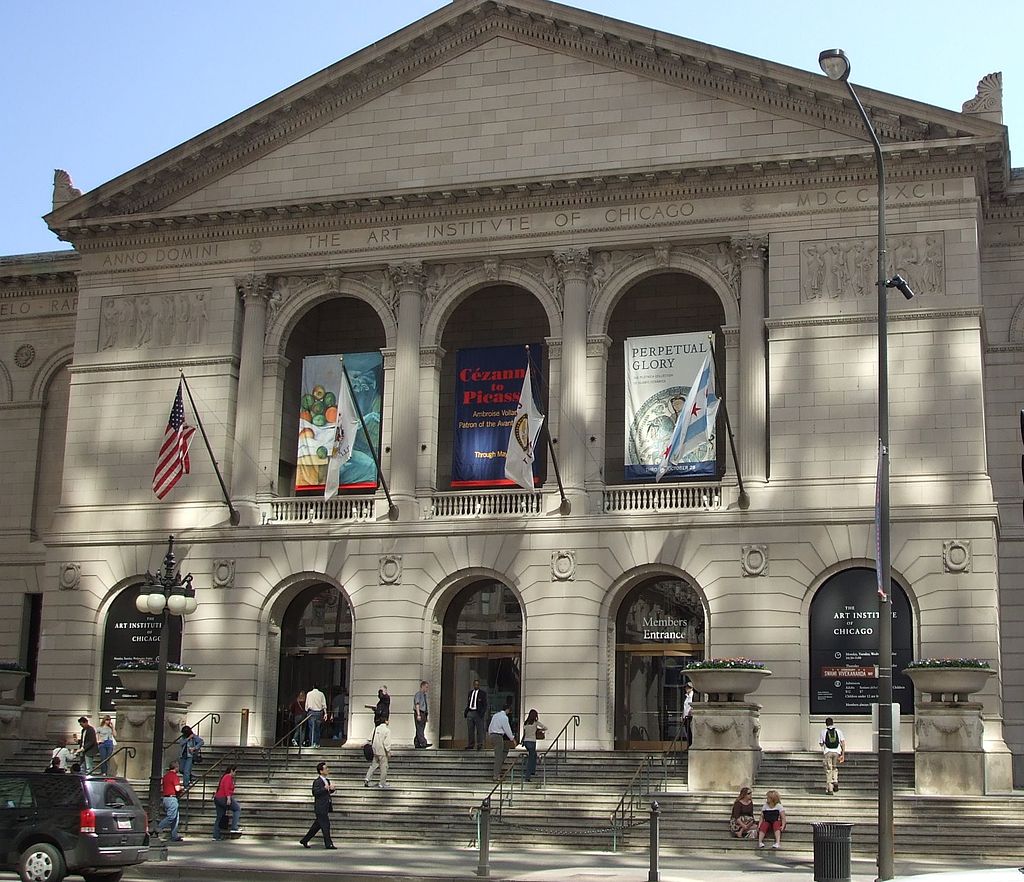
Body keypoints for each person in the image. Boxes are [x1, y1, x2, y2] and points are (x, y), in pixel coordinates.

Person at [299, 761, 337, 849]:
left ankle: (305, 840)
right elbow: (315, 792)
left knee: (316, 826)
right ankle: (328, 844)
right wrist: (324, 788)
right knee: (326, 825)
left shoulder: (327, 780)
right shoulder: (317, 781)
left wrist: (331, 790)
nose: (328, 769)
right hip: (320, 807)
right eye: (326, 768)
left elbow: (326, 792)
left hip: (326, 806)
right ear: (321, 771)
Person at [487, 701, 517, 781]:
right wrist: (512, 739)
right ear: (507, 710)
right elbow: (507, 729)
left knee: (503, 752)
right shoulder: (504, 717)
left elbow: (490, 726)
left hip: (492, 735)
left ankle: (498, 771)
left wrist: (490, 734)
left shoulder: (495, 715)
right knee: (499, 757)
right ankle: (496, 775)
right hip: (498, 736)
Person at [157, 761, 185, 842]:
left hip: (165, 798)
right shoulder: (174, 776)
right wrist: (182, 788)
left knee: (176, 817)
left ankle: (174, 835)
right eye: (178, 767)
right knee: (171, 817)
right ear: (176, 767)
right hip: (172, 798)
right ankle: (157, 829)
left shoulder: (165, 776)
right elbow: (177, 788)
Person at [819, 717, 847, 794]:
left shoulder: (823, 732)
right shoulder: (838, 731)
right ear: (832, 723)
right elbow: (843, 743)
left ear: (826, 724)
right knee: (834, 767)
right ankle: (835, 780)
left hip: (828, 752)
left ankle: (830, 789)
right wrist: (843, 754)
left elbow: (821, 743)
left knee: (829, 769)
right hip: (837, 752)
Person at [212, 765, 241, 839]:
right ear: (231, 771)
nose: (235, 774)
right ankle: (234, 827)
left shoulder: (224, 776)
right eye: (235, 772)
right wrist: (228, 798)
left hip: (217, 798)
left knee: (219, 816)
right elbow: (226, 788)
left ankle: (216, 835)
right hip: (223, 797)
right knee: (237, 808)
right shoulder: (228, 777)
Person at [364, 714, 392, 789]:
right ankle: (382, 783)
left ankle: (367, 778)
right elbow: (387, 742)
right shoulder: (387, 730)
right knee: (384, 767)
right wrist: (388, 751)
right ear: (385, 721)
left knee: (373, 766)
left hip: (375, 750)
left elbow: (369, 738)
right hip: (383, 751)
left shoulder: (376, 729)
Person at [521, 709, 547, 782]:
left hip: (526, 741)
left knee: (534, 755)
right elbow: (545, 727)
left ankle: (532, 770)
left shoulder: (526, 723)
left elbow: (524, 733)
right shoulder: (535, 723)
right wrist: (538, 730)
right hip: (532, 741)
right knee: (531, 758)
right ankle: (528, 776)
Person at [464, 679, 488, 750]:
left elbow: (485, 704)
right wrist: (466, 712)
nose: (476, 686)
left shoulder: (482, 693)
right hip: (470, 712)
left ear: (479, 685)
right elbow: (468, 703)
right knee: (470, 730)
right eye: (475, 684)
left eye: (477, 684)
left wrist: (482, 713)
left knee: (479, 730)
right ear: (473, 685)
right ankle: (471, 744)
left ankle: (479, 744)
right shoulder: (470, 693)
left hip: (478, 713)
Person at [305, 683, 327, 748]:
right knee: (317, 729)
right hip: (319, 713)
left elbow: (306, 705)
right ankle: (317, 743)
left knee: (312, 729)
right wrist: (325, 713)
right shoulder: (321, 694)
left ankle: (312, 743)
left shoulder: (309, 694)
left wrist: (306, 710)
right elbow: (324, 705)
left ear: (313, 686)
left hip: (311, 713)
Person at [413, 681, 431, 749]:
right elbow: (417, 704)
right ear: (422, 686)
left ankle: (417, 742)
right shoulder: (418, 694)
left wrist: (426, 715)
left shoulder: (424, 695)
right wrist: (418, 714)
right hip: (420, 712)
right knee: (420, 728)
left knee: (420, 728)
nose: (427, 689)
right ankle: (423, 742)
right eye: (426, 687)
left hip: (424, 713)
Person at [682, 683, 694, 747]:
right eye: (686, 687)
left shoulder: (693, 696)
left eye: (688, 687)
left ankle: (691, 745)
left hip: (690, 717)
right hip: (686, 717)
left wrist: (691, 711)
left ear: (691, 688)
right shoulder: (687, 696)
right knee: (687, 732)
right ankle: (689, 745)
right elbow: (685, 707)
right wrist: (683, 715)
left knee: (690, 731)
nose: (687, 689)